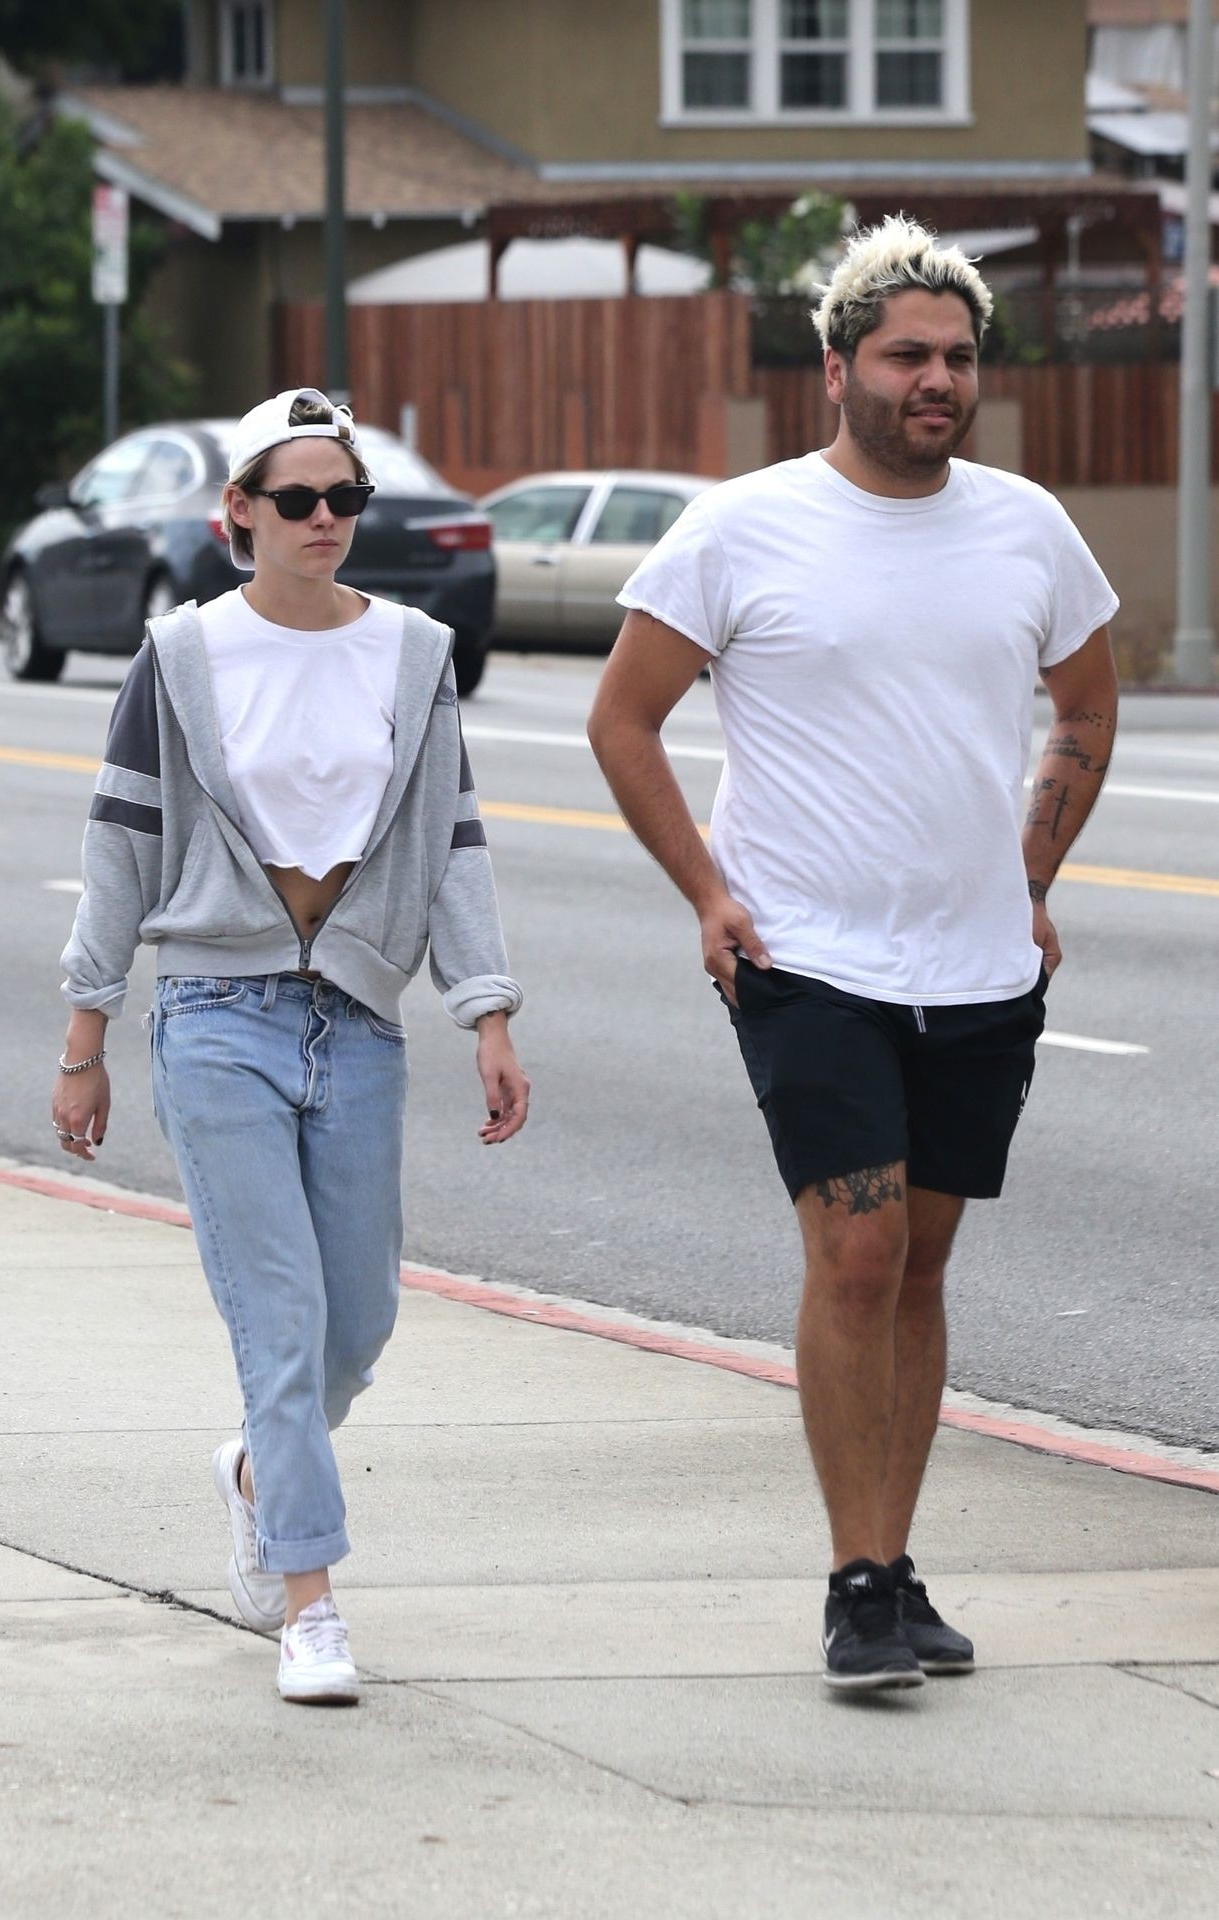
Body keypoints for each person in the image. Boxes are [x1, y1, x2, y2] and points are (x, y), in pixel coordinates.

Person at [588, 217, 1118, 1693]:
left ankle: (896, 1556)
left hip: (979, 972)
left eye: (957, 356)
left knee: (922, 1267)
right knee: (859, 1254)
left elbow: (1084, 704)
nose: (936, 378)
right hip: (806, 957)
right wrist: (706, 891)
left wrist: (1028, 874)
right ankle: (856, 1583)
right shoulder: (740, 528)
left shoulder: (1027, 528)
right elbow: (623, 719)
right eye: (904, 356)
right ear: (835, 369)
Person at [54, 387, 529, 1706]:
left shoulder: (415, 655)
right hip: (215, 1014)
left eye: (345, 498)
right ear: (241, 513)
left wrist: (485, 1008)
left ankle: (262, 1474)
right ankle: (310, 1605)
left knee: (357, 1323)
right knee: (281, 1319)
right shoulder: (183, 656)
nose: (327, 519)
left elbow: (454, 840)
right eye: (300, 499)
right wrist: (87, 1032)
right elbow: (121, 841)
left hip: (358, 1018)